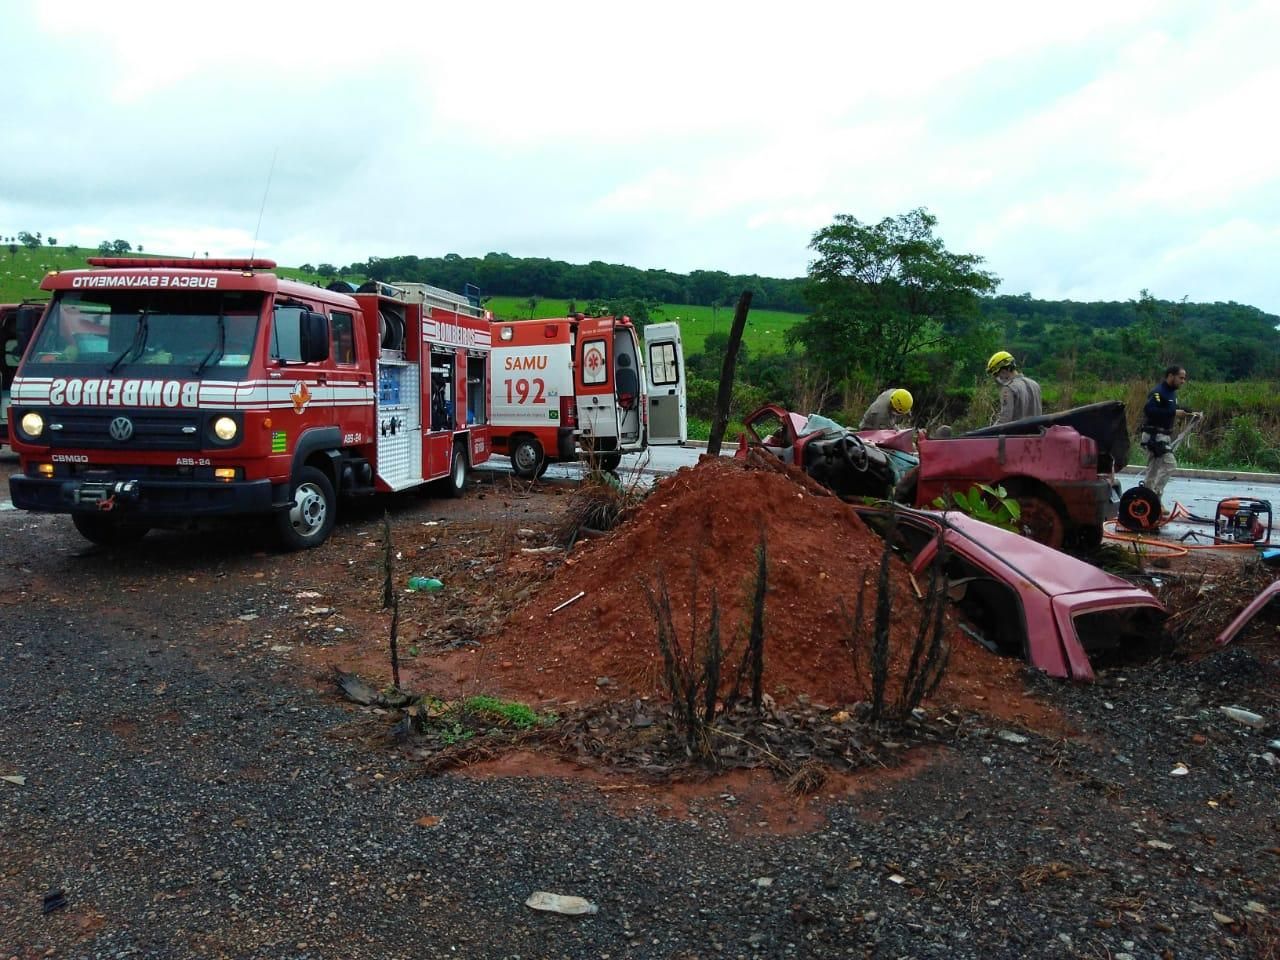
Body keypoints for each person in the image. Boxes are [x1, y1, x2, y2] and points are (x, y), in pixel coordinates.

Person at [1139, 364, 1197, 498]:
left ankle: (1151, 499)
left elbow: (1171, 409)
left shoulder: (1172, 394)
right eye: (1181, 378)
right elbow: (1150, 410)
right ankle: (1153, 496)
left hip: (1163, 436)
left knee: (1153, 471)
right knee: (1169, 465)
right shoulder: (1158, 393)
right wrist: (1174, 412)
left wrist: (1190, 413)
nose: (1183, 381)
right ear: (1171, 376)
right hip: (1154, 436)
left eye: (1184, 378)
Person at [987, 350, 1042, 424]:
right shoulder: (1035, 384)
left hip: (1017, 434)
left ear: (1007, 369)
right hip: (1037, 433)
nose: (998, 377)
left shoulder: (1008, 388)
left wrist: (989, 433)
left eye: (997, 373)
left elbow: (1005, 419)